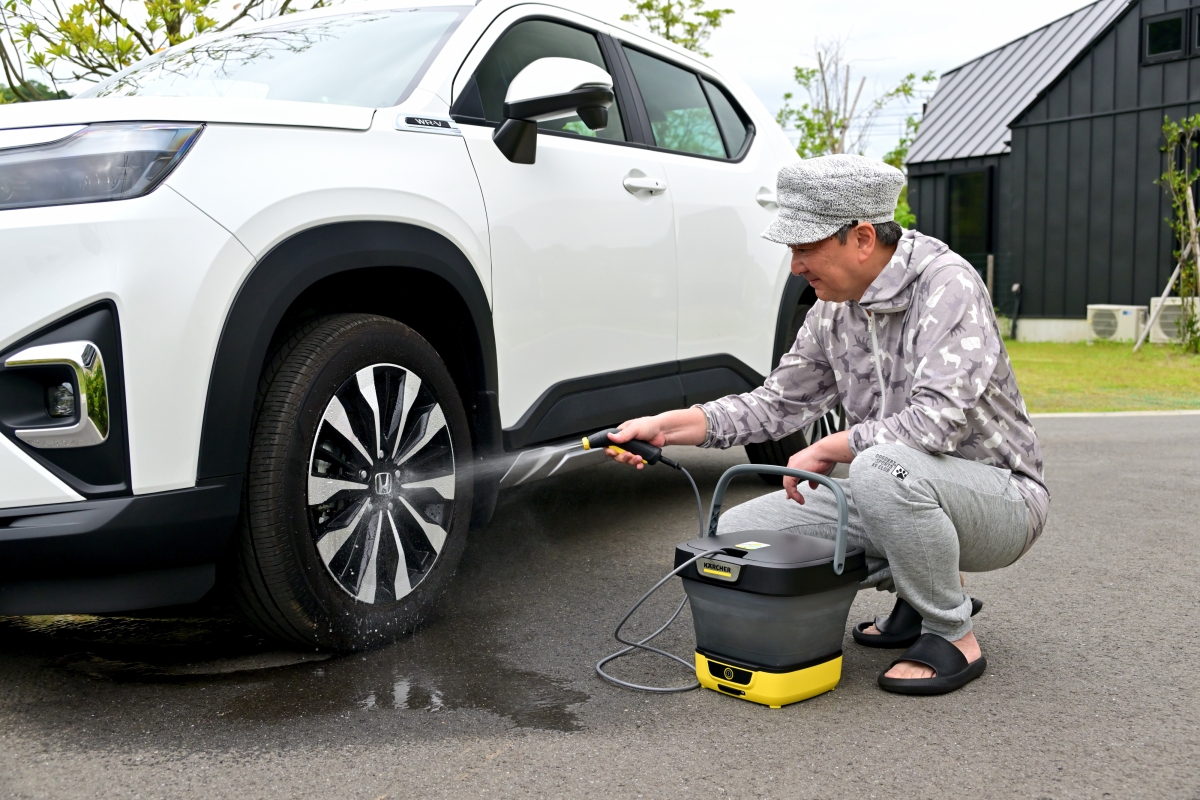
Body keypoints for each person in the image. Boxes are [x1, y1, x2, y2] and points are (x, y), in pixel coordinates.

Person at [605, 154, 1048, 696]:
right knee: (736, 540)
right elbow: (774, 405)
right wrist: (669, 428)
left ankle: (951, 632)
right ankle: (919, 591)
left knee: (879, 470)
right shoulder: (834, 308)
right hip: (895, 485)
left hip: (1001, 501)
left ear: (862, 238)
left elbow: (936, 424)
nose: (795, 266)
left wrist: (833, 446)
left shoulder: (946, 285)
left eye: (805, 247)